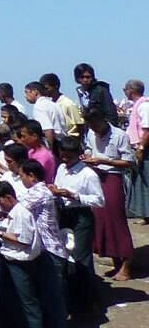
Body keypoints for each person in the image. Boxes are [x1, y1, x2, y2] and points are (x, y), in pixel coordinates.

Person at [0, 169, 69, 328]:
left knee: (29, 303)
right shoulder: (15, 213)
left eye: (0, 201)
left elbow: (24, 240)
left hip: (20, 263)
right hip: (15, 262)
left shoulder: (21, 213)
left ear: (8, 197)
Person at [51, 134, 105, 318]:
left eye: (68, 155)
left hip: (81, 216)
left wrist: (74, 195)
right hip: (65, 215)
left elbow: (99, 200)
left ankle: (89, 302)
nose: (65, 158)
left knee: (81, 258)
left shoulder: (88, 174)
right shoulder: (61, 169)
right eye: (62, 154)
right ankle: (79, 299)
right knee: (68, 257)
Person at [81, 109, 137, 281]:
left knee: (117, 221)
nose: (94, 129)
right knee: (102, 221)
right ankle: (116, 262)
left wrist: (104, 160)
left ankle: (127, 265)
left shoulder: (119, 135)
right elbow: (90, 148)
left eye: (96, 124)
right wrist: (89, 157)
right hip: (96, 176)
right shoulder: (91, 133)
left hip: (112, 176)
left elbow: (128, 161)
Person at [124, 79, 149, 221]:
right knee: (140, 181)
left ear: (130, 90)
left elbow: (147, 129)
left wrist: (141, 147)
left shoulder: (144, 106)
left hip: (144, 149)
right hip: (138, 148)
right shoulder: (137, 106)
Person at [13, 118, 58, 182]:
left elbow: (35, 178)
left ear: (34, 136)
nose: (22, 139)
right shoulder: (31, 152)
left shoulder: (44, 156)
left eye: (24, 136)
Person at [48, 73, 86, 139]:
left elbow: (79, 124)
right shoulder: (49, 104)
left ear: (56, 86)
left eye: (47, 88)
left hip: (71, 141)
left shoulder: (68, 104)